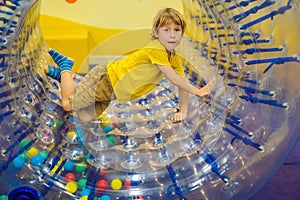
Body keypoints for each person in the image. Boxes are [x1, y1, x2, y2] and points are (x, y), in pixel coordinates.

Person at [45, 7, 213, 123]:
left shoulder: (173, 58)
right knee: (68, 105)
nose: (172, 35)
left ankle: (63, 77)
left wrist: (182, 111)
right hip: (107, 80)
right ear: (156, 32)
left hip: (113, 93)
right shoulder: (157, 49)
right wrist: (197, 91)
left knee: (84, 117)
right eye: (166, 30)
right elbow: (173, 78)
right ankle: (65, 66)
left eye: (177, 30)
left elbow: (181, 85)